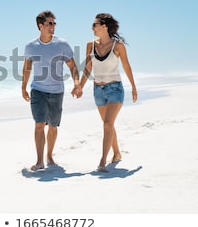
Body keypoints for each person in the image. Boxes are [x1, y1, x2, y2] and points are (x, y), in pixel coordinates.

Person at [77, 13, 138, 172]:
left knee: (107, 124)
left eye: (95, 24)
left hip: (115, 90)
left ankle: (103, 161)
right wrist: (80, 86)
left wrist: (133, 86)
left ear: (104, 26)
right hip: (98, 90)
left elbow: (126, 66)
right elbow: (88, 67)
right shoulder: (90, 45)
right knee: (108, 125)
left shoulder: (118, 46)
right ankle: (117, 153)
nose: (92, 27)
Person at [22, 10, 81, 171]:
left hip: (56, 91)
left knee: (53, 126)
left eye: (54, 23)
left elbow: (72, 65)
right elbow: (27, 68)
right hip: (38, 90)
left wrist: (77, 83)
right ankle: (40, 160)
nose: (53, 26)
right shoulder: (31, 46)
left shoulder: (62, 44)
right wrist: (23, 87)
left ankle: (49, 155)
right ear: (40, 26)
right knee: (40, 124)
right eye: (50, 23)